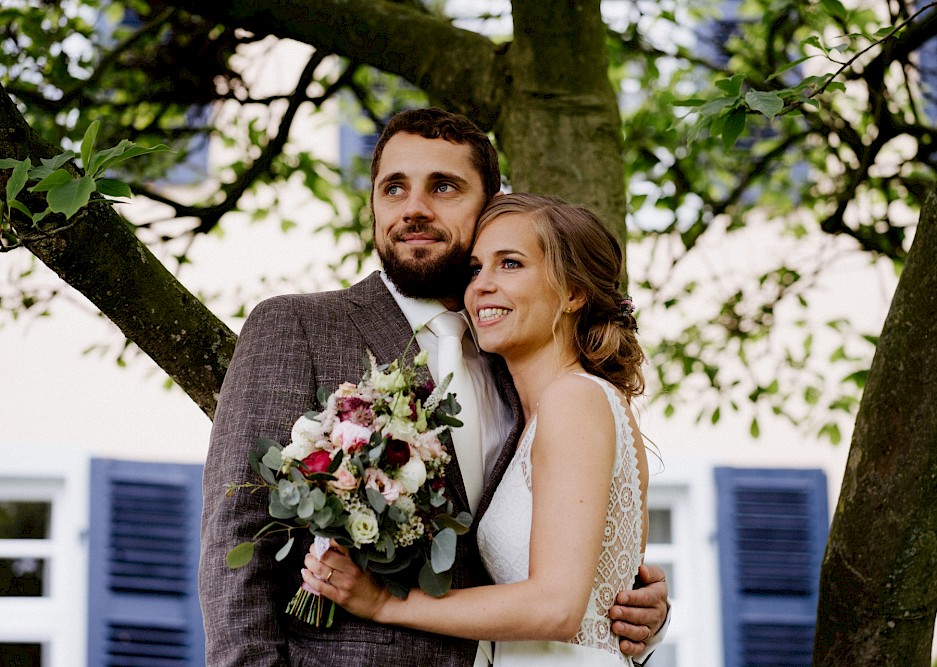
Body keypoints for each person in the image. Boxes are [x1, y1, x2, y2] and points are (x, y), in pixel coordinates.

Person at [199, 109, 668, 666]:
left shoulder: (520, 359)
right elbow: (237, 546)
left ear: (489, 205)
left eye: (443, 187)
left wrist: (638, 614)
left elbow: (558, 570)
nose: (414, 208)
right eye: (393, 188)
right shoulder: (297, 328)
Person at [303, 193, 651, 665]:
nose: (481, 286)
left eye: (510, 264)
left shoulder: (575, 400)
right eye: (475, 269)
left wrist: (387, 603)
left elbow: (556, 609)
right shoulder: (530, 415)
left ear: (573, 293)